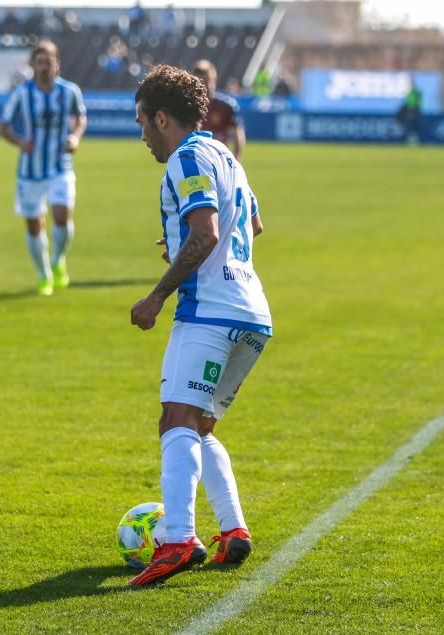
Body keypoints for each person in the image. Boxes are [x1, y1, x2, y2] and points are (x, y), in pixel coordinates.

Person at [128, 65, 271, 587]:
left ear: (163, 117)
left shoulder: (187, 157)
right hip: (251, 312)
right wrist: (186, 247)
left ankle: (176, 540)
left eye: (143, 121)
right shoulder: (226, 155)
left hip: (208, 311)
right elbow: (251, 225)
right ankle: (232, 530)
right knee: (201, 425)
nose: (142, 134)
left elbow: (206, 234)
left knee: (176, 421)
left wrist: (157, 294)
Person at [0, 40, 87, 296]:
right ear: (32, 65)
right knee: (34, 225)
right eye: (39, 62)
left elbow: (80, 117)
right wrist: (19, 141)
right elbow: (3, 125)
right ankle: (43, 273)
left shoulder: (69, 91)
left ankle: (58, 260)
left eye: (48, 61)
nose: (44, 66)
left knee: (61, 216)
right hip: (30, 172)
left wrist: (75, 137)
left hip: (60, 167)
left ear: (56, 63)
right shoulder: (21, 94)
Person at [191, 60, 245, 161]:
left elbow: (238, 137)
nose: (204, 87)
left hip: (219, 161)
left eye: (206, 82)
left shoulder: (226, 106)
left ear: (214, 80)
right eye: (200, 83)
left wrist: (235, 163)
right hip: (196, 162)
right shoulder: (188, 107)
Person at [396, 76, 422, 145]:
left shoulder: (415, 92)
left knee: (414, 126)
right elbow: (406, 102)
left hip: (414, 111)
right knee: (409, 126)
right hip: (410, 111)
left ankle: (414, 140)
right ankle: (409, 140)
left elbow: (415, 102)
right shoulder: (409, 92)